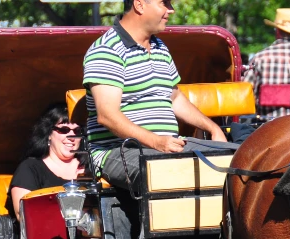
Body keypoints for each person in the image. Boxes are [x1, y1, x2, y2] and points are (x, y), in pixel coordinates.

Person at [83, 0, 237, 190]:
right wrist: (156, 141)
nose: (170, 10)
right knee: (166, 170)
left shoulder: (159, 47)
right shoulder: (106, 50)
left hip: (167, 146)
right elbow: (107, 116)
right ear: (139, 5)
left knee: (242, 159)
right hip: (116, 152)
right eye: (164, 3)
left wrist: (213, 129)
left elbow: (175, 98)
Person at [6, 105, 84, 218]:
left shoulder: (92, 166)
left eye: (77, 131)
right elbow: (23, 216)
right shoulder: (30, 168)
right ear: (48, 134)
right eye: (64, 130)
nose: (71, 136)